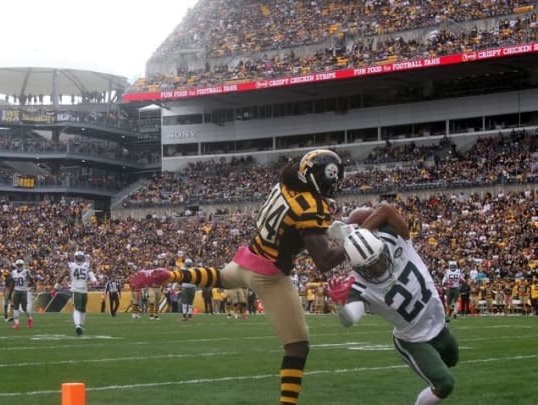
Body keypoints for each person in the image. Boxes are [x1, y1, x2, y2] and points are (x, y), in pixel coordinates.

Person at [130, 149, 347, 404]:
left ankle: (171, 274)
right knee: (297, 346)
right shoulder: (311, 206)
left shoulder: (284, 185)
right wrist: (352, 242)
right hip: (270, 275)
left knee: (222, 277)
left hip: (247, 257)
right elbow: (324, 261)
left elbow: (297, 224)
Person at [326, 204, 458, 405]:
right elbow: (350, 319)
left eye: (378, 259)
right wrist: (340, 306)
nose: (379, 267)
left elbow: (386, 210)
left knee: (452, 359)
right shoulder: (358, 284)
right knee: (444, 384)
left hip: (439, 325)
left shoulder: (392, 237)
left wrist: (356, 234)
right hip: (413, 340)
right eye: (371, 266)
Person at [57, 251, 98, 336]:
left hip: (75, 290)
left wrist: (55, 286)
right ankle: (80, 326)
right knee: (82, 310)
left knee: (77, 309)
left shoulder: (71, 265)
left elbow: (61, 276)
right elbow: (91, 275)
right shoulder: (86, 265)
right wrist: (94, 281)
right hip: (84, 290)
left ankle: (78, 326)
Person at [10, 259, 35, 329]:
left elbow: (31, 279)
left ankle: (30, 318)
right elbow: (12, 282)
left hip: (23, 291)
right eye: (18, 265)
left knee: (24, 308)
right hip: (16, 291)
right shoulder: (13, 272)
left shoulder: (26, 271)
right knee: (15, 307)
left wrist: (31, 284)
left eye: (20, 265)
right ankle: (16, 323)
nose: (19, 266)